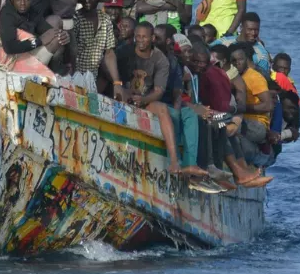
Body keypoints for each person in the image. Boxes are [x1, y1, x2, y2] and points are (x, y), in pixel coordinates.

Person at [114, 22, 208, 178]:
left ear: (152, 38)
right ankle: (176, 161)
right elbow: (112, 63)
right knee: (169, 111)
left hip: (148, 99)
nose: (141, 40)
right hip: (125, 93)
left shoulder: (161, 60)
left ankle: (184, 163)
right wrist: (119, 87)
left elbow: (158, 91)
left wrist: (142, 99)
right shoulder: (125, 51)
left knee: (184, 113)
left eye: (144, 37)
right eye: (138, 37)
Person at [188, 47, 272, 187]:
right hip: (205, 117)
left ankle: (242, 174)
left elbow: (234, 102)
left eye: (203, 62)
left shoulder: (214, 75)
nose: (200, 65)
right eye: (196, 62)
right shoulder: (193, 74)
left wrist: (233, 116)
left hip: (216, 115)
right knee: (222, 129)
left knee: (224, 128)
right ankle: (236, 174)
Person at [0, 0, 69, 65]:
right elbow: (9, 48)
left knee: (58, 39)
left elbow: (46, 29)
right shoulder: (7, 14)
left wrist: (62, 35)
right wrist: (39, 41)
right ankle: (35, 71)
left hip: (29, 49)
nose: (22, 4)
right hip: (12, 59)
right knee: (54, 43)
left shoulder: (31, 11)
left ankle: (53, 70)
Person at [68, 0, 121, 89]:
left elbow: (109, 53)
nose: (87, 0)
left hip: (94, 77)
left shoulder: (105, 20)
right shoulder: (76, 18)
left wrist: (117, 83)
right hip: (74, 75)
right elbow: (71, 52)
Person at [229, 42, 275, 166]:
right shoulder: (231, 75)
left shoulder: (254, 77)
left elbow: (268, 105)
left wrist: (241, 109)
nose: (237, 63)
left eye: (241, 59)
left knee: (227, 126)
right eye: (233, 60)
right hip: (244, 122)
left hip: (256, 124)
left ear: (246, 60)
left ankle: (263, 149)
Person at [239, 12, 272, 77]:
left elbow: (265, 77)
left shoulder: (262, 54)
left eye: (256, 30)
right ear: (241, 27)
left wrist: (253, 67)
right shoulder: (224, 42)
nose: (253, 33)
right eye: (250, 29)